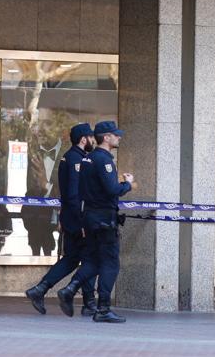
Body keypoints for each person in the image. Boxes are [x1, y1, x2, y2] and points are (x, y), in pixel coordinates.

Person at [58, 120, 133, 323]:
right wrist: (127, 184)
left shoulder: (87, 159)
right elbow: (112, 190)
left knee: (93, 260)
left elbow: (82, 191)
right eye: (115, 135)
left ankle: (70, 289)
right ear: (106, 137)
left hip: (90, 218)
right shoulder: (104, 160)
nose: (119, 137)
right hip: (103, 219)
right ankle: (103, 308)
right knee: (110, 263)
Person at [24, 123, 98, 315]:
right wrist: (82, 221)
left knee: (74, 258)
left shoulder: (75, 157)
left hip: (73, 218)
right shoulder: (75, 159)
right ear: (83, 139)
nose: (93, 141)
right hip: (77, 219)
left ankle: (40, 290)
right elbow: (73, 195)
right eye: (91, 137)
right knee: (89, 258)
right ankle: (88, 303)